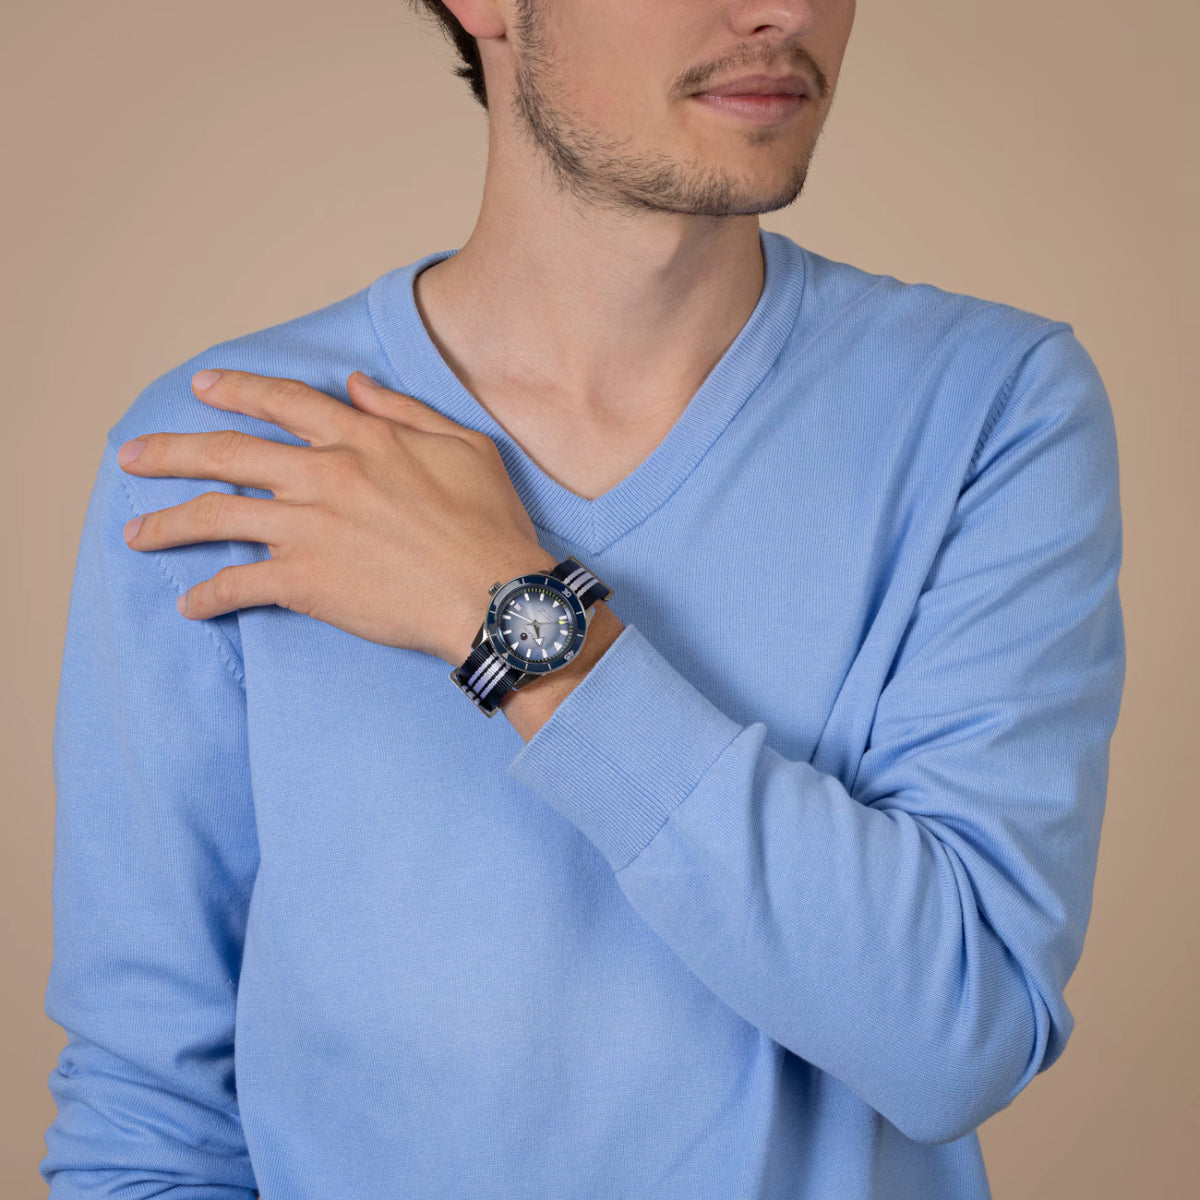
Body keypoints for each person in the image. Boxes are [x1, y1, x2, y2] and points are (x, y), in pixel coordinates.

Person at [40, 1, 1126, 1197]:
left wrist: (509, 613)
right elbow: (150, 1116)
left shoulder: (991, 409)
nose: (784, 9)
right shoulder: (232, 460)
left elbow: (958, 1036)